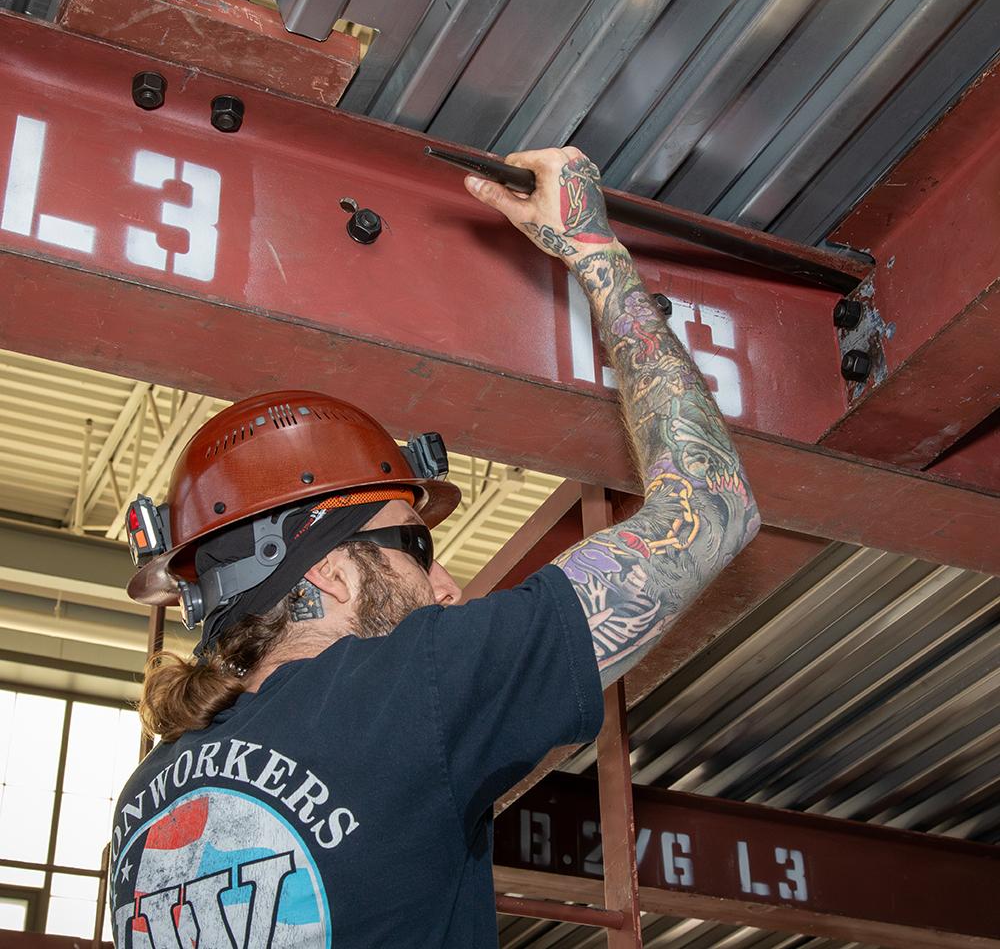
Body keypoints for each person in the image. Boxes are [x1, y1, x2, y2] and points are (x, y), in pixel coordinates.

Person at [109, 147, 759, 948]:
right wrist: (595, 249)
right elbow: (712, 507)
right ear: (334, 572)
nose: (447, 585)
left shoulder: (146, 800)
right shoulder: (407, 690)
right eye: (414, 546)